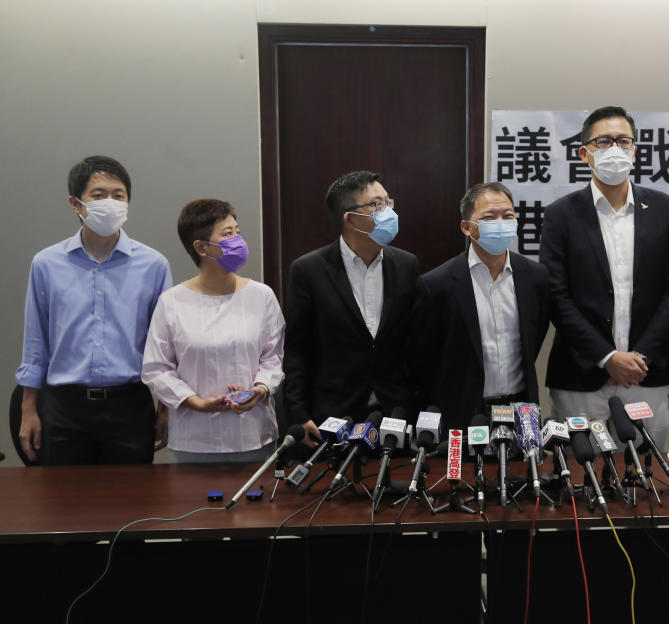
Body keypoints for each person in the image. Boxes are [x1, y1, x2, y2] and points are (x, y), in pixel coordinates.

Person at [539, 106, 669, 447]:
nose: (615, 149)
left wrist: (641, 357)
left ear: (635, 150)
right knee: (581, 479)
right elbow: (555, 295)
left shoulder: (664, 209)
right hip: (580, 376)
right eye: (604, 141)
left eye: (623, 141)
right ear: (584, 153)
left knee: (645, 479)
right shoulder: (561, 215)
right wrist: (607, 357)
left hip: (646, 376)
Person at [16, 155, 172, 464]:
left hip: (129, 405)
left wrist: (166, 407)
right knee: (65, 505)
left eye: (119, 195)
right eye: (99, 196)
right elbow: (36, 342)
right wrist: (28, 408)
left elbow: (165, 345)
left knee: (133, 506)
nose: (110, 203)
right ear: (76, 204)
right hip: (64, 407)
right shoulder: (46, 264)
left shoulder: (153, 265)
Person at [141, 200, 285, 463]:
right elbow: (156, 369)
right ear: (202, 247)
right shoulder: (172, 302)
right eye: (227, 234)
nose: (238, 240)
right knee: (194, 503)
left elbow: (272, 357)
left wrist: (261, 388)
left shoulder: (261, 296)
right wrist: (195, 401)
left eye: (238, 231)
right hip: (194, 439)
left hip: (253, 434)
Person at [284, 171, 419, 444]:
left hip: (395, 413)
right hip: (334, 414)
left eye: (388, 202)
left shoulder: (407, 265)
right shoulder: (309, 270)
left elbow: (415, 343)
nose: (388, 212)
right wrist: (298, 412)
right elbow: (298, 349)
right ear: (350, 218)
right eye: (377, 205)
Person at [412, 182, 550, 430]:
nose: (501, 222)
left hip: (521, 411)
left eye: (508, 216)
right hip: (461, 414)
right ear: (466, 227)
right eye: (489, 217)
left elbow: (534, 339)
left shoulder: (536, 277)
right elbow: (423, 359)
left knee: (523, 470)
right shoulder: (436, 284)